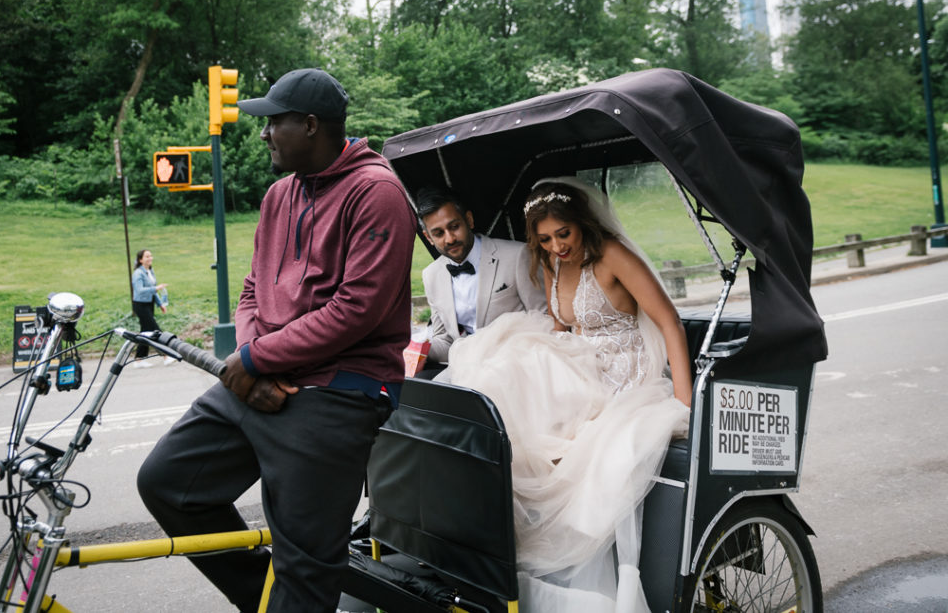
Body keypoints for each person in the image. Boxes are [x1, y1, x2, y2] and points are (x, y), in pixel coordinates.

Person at [136, 68, 416, 613]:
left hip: (340, 389)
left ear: (310, 125)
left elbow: (356, 311)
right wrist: (250, 360)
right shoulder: (279, 194)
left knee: (305, 567)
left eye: (273, 123)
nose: (263, 133)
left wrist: (255, 359)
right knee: (168, 482)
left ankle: (296, 594)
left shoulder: (377, 192)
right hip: (265, 377)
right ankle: (273, 599)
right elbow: (252, 288)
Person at [438, 177, 691, 612]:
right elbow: (563, 328)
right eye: (545, 240)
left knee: (577, 455)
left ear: (582, 224)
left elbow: (669, 321)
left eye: (564, 234)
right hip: (585, 369)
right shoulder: (555, 263)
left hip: (626, 380)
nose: (557, 246)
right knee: (501, 365)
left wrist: (683, 402)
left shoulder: (613, 256)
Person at [417, 185, 545, 365]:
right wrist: (414, 350)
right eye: (438, 233)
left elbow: (544, 319)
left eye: (454, 227)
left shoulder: (517, 256)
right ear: (428, 237)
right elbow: (444, 341)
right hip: (466, 368)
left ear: (469, 220)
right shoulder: (431, 275)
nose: (450, 239)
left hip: (520, 363)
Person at [130, 249, 171, 366]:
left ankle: (139, 359)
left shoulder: (150, 271)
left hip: (149, 304)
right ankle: (166, 355)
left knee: (145, 332)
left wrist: (160, 304)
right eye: (147, 256)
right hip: (140, 305)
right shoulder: (138, 273)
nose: (150, 258)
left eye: (150, 256)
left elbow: (153, 290)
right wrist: (156, 288)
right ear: (140, 260)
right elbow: (139, 290)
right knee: (155, 330)